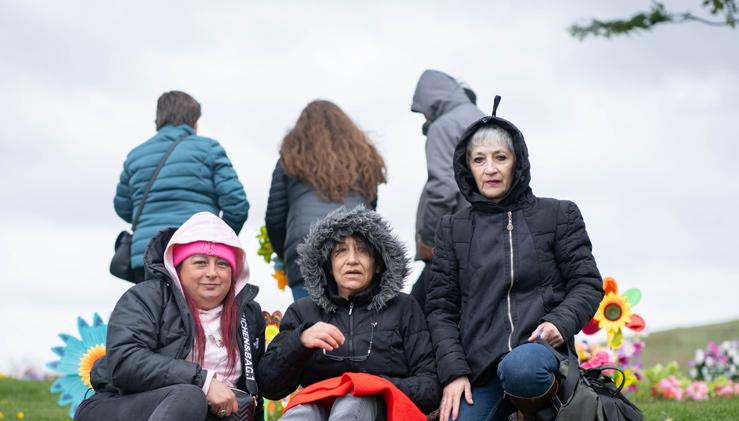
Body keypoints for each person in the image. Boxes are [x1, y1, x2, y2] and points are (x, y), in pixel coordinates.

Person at [426, 99, 603, 421]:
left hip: (539, 359)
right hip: (480, 370)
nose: (490, 168)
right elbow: (440, 309)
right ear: (467, 167)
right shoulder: (453, 229)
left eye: (500, 158)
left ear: (517, 162)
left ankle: (550, 420)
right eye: (479, 160)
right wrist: (455, 372)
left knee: (521, 367)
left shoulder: (559, 215)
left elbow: (587, 284)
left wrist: (559, 323)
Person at [53, 212, 266, 421]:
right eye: (200, 263)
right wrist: (203, 380)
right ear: (177, 266)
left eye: (222, 264)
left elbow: (253, 391)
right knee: (190, 393)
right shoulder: (146, 297)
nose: (212, 273)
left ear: (235, 271)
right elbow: (124, 362)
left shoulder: (246, 315)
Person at [235, 207, 440, 421]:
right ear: (327, 263)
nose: (352, 259)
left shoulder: (404, 308)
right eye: (340, 251)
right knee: (309, 405)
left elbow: (430, 386)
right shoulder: (304, 312)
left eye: (363, 251)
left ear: (379, 263)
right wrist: (299, 343)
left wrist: (374, 386)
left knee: (358, 395)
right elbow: (270, 386)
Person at [114, 90, 249, 283]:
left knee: (149, 303)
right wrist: (218, 239)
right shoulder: (209, 149)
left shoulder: (135, 156)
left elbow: (123, 208)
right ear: (194, 121)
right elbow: (237, 206)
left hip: (145, 256)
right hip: (193, 253)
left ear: (158, 120)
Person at [265, 100, 386, 301]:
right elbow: (370, 212)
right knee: (356, 319)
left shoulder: (290, 159)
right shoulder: (364, 159)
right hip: (355, 254)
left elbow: (275, 219)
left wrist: (287, 255)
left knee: (309, 319)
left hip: (305, 254)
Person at [410, 70, 484, 309]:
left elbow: (443, 188)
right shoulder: (482, 119)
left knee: (416, 312)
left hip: (453, 242)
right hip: (487, 239)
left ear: (429, 100)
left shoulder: (444, 126)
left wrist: (430, 240)